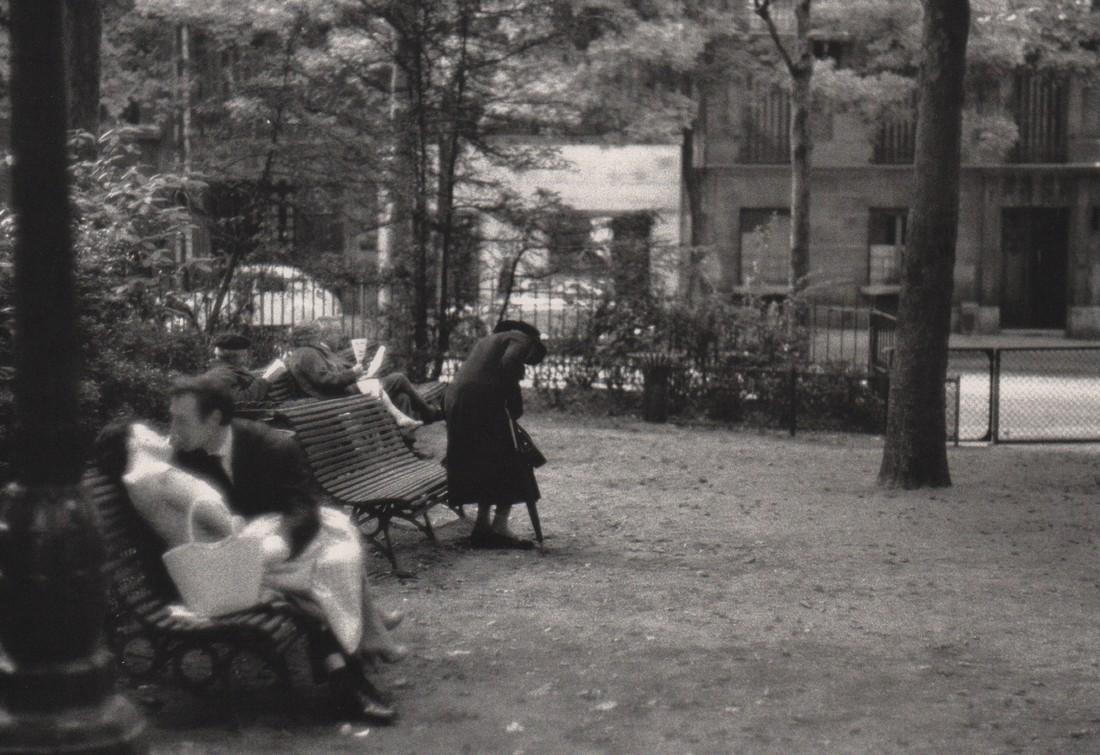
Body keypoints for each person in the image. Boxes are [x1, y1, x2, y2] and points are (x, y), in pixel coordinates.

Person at [164, 375, 406, 723]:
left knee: (326, 561)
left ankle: (349, 672)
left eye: (181, 419)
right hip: (224, 566)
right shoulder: (183, 456)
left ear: (215, 418)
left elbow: (302, 506)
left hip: (269, 547)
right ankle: (352, 676)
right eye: (171, 417)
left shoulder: (271, 445)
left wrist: (280, 542)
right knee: (318, 574)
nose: (173, 427)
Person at [444, 320, 547, 549]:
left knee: (486, 461)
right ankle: (499, 526)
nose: (527, 367)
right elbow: (511, 362)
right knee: (512, 459)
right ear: (534, 346)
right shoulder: (523, 340)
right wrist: (513, 397)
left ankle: (482, 526)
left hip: (457, 401)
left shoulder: (488, 340)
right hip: (479, 403)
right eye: (529, 362)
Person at [285, 318, 443, 424]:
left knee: (402, 396)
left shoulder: (307, 352)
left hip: (344, 391)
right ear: (309, 336)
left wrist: (357, 372)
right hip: (342, 396)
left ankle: (405, 445)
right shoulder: (307, 353)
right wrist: (353, 374)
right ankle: (428, 413)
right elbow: (326, 380)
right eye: (317, 334)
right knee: (398, 379)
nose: (319, 337)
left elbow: (330, 373)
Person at [204, 332, 270, 403]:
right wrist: (265, 381)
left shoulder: (225, 368)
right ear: (233, 356)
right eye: (244, 353)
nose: (246, 355)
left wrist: (264, 373)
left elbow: (241, 375)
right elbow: (240, 401)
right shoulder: (222, 374)